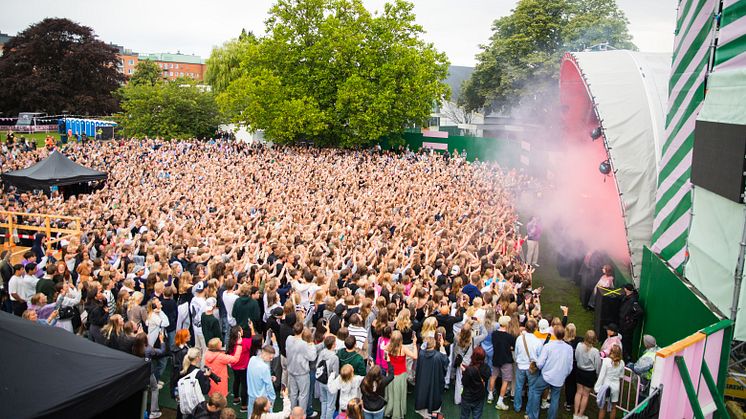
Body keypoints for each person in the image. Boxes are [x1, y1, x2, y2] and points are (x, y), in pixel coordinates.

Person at [527, 325, 574, 419]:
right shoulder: (569, 348)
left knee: (536, 391)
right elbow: (570, 367)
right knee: (555, 398)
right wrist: (564, 375)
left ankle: (533, 416)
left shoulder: (549, 346)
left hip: (547, 376)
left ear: (555, 334)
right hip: (559, 378)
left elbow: (540, 364)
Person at [384, 330, 417, 419]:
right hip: (400, 375)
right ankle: (398, 412)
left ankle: (389, 411)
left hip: (390, 374)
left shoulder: (388, 347)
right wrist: (414, 344)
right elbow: (415, 356)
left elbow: (384, 355)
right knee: (399, 394)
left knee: (390, 393)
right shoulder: (403, 348)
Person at [414, 335, 449, 418]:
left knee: (424, 404)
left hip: (423, 385)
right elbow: (446, 362)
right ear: (434, 345)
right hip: (434, 384)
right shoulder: (438, 356)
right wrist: (441, 346)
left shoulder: (421, 354)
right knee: (433, 404)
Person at [513, 318, 542, 413]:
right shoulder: (538, 342)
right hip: (531, 368)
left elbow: (516, 352)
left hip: (521, 366)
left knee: (518, 387)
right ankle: (528, 410)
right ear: (535, 329)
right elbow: (540, 356)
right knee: (532, 388)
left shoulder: (519, 338)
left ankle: (517, 406)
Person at [573, 330, 600, 419]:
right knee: (585, 395)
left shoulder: (579, 346)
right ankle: (580, 415)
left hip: (580, 371)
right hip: (589, 374)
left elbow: (576, 357)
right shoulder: (595, 351)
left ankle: (576, 414)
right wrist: (597, 374)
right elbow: (598, 365)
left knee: (579, 392)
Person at [489, 315, 513, 409]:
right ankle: (500, 401)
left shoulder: (494, 334)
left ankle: (490, 395)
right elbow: (512, 346)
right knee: (505, 380)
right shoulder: (509, 336)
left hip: (496, 358)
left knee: (493, 376)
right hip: (506, 360)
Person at [460, 346, 491, 419]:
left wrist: (464, 372)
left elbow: (464, 382)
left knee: (464, 416)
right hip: (479, 396)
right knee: (477, 416)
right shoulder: (486, 368)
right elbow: (487, 378)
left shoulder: (469, 370)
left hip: (467, 397)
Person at [595, 345, 625, 419]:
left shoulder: (606, 361)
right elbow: (621, 376)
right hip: (615, 388)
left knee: (603, 407)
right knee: (613, 407)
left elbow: (602, 375)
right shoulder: (622, 363)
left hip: (606, 387)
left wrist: (597, 388)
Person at [247, 345, 277, 410]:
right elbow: (269, 387)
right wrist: (272, 398)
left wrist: (269, 377)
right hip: (262, 400)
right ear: (264, 353)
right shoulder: (264, 367)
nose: (271, 360)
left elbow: (255, 375)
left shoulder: (252, 359)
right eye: (270, 358)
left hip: (251, 396)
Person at [619, 284, 644, 362]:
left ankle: (627, 359)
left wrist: (630, 319)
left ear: (626, 289)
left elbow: (640, 312)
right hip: (624, 324)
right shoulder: (628, 298)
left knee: (626, 342)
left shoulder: (633, 300)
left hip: (627, 326)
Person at [317, 335, 340, 419]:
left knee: (324, 402)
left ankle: (322, 417)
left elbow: (317, 365)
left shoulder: (322, 352)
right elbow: (336, 373)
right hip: (330, 383)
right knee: (331, 405)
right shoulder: (335, 357)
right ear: (333, 345)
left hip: (321, 380)